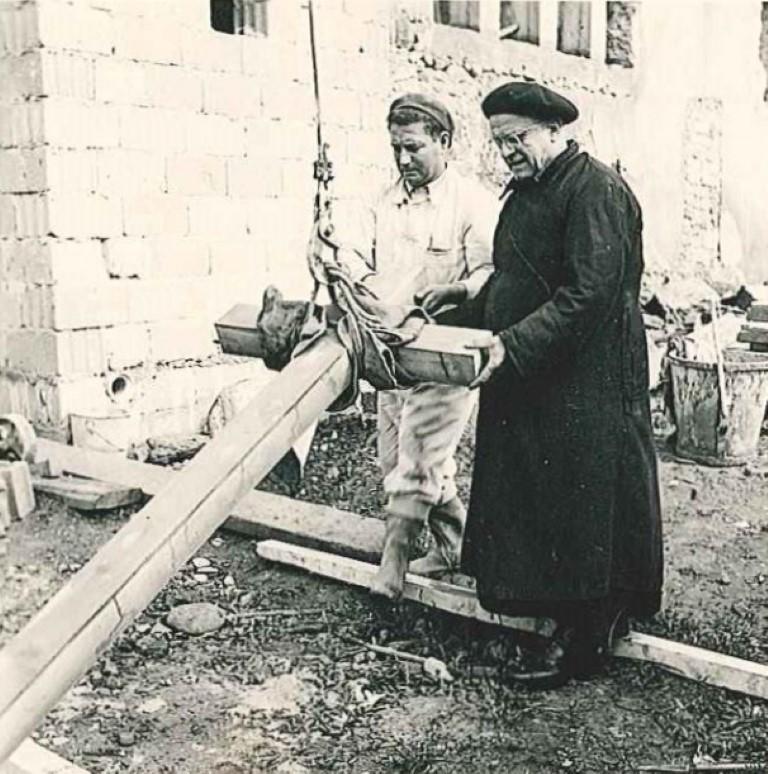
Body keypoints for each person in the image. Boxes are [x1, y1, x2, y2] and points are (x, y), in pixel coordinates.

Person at [449, 81, 663, 687]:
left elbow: (589, 291)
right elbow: (521, 278)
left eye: (515, 140)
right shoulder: (527, 190)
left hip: (590, 375)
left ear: (552, 132)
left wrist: (512, 344)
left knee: (587, 499)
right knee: (541, 491)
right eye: (498, 143)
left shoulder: (594, 188)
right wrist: (464, 305)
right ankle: (551, 608)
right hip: (542, 373)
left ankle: (588, 638)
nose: (507, 153)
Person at [335, 93, 496, 599]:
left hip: (446, 356)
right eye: (396, 149)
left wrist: (460, 291)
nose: (403, 160)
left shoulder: (472, 203)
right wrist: (352, 275)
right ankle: (458, 547)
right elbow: (354, 255)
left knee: (421, 457)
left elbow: (491, 271)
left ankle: (395, 558)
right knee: (395, 460)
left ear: (444, 143)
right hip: (391, 356)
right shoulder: (382, 202)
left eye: (413, 148)